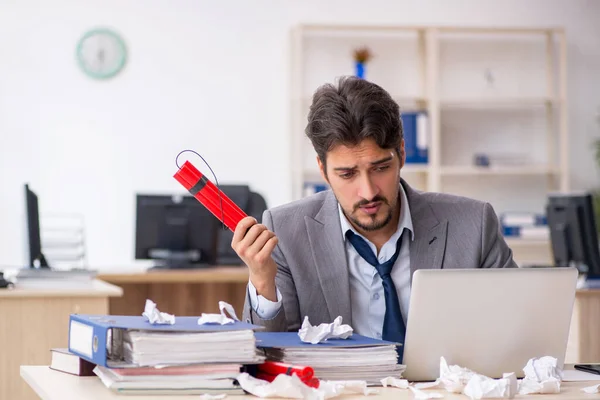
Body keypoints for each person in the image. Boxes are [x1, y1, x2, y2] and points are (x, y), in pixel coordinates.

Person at [232, 76, 517, 353]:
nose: (367, 192)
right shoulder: (285, 231)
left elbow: (517, 328)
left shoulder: (474, 224)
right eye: (347, 174)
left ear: (402, 154)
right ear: (323, 170)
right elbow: (268, 355)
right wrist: (261, 281)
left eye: (380, 168)